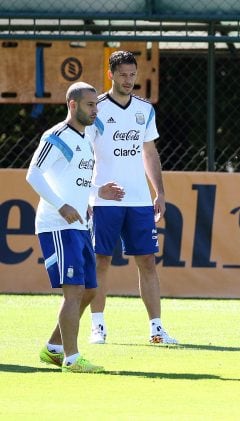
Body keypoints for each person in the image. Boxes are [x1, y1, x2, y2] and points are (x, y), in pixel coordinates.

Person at [28, 82, 125, 372]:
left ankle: (54, 348)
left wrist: (98, 191)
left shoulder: (86, 138)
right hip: (58, 224)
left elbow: (75, 181)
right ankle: (71, 359)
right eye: (90, 105)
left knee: (89, 291)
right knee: (74, 291)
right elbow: (33, 175)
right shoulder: (56, 136)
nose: (95, 110)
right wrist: (61, 205)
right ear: (73, 105)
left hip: (80, 225)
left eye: (96, 104)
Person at [88, 50, 177, 345]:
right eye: (122, 74)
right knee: (101, 261)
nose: (128, 80)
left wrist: (159, 192)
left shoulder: (144, 109)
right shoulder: (95, 109)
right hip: (106, 200)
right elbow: (83, 155)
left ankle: (156, 328)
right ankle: (97, 326)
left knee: (148, 262)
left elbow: (149, 152)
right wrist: (92, 192)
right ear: (110, 74)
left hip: (139, 201)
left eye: (132, 74)